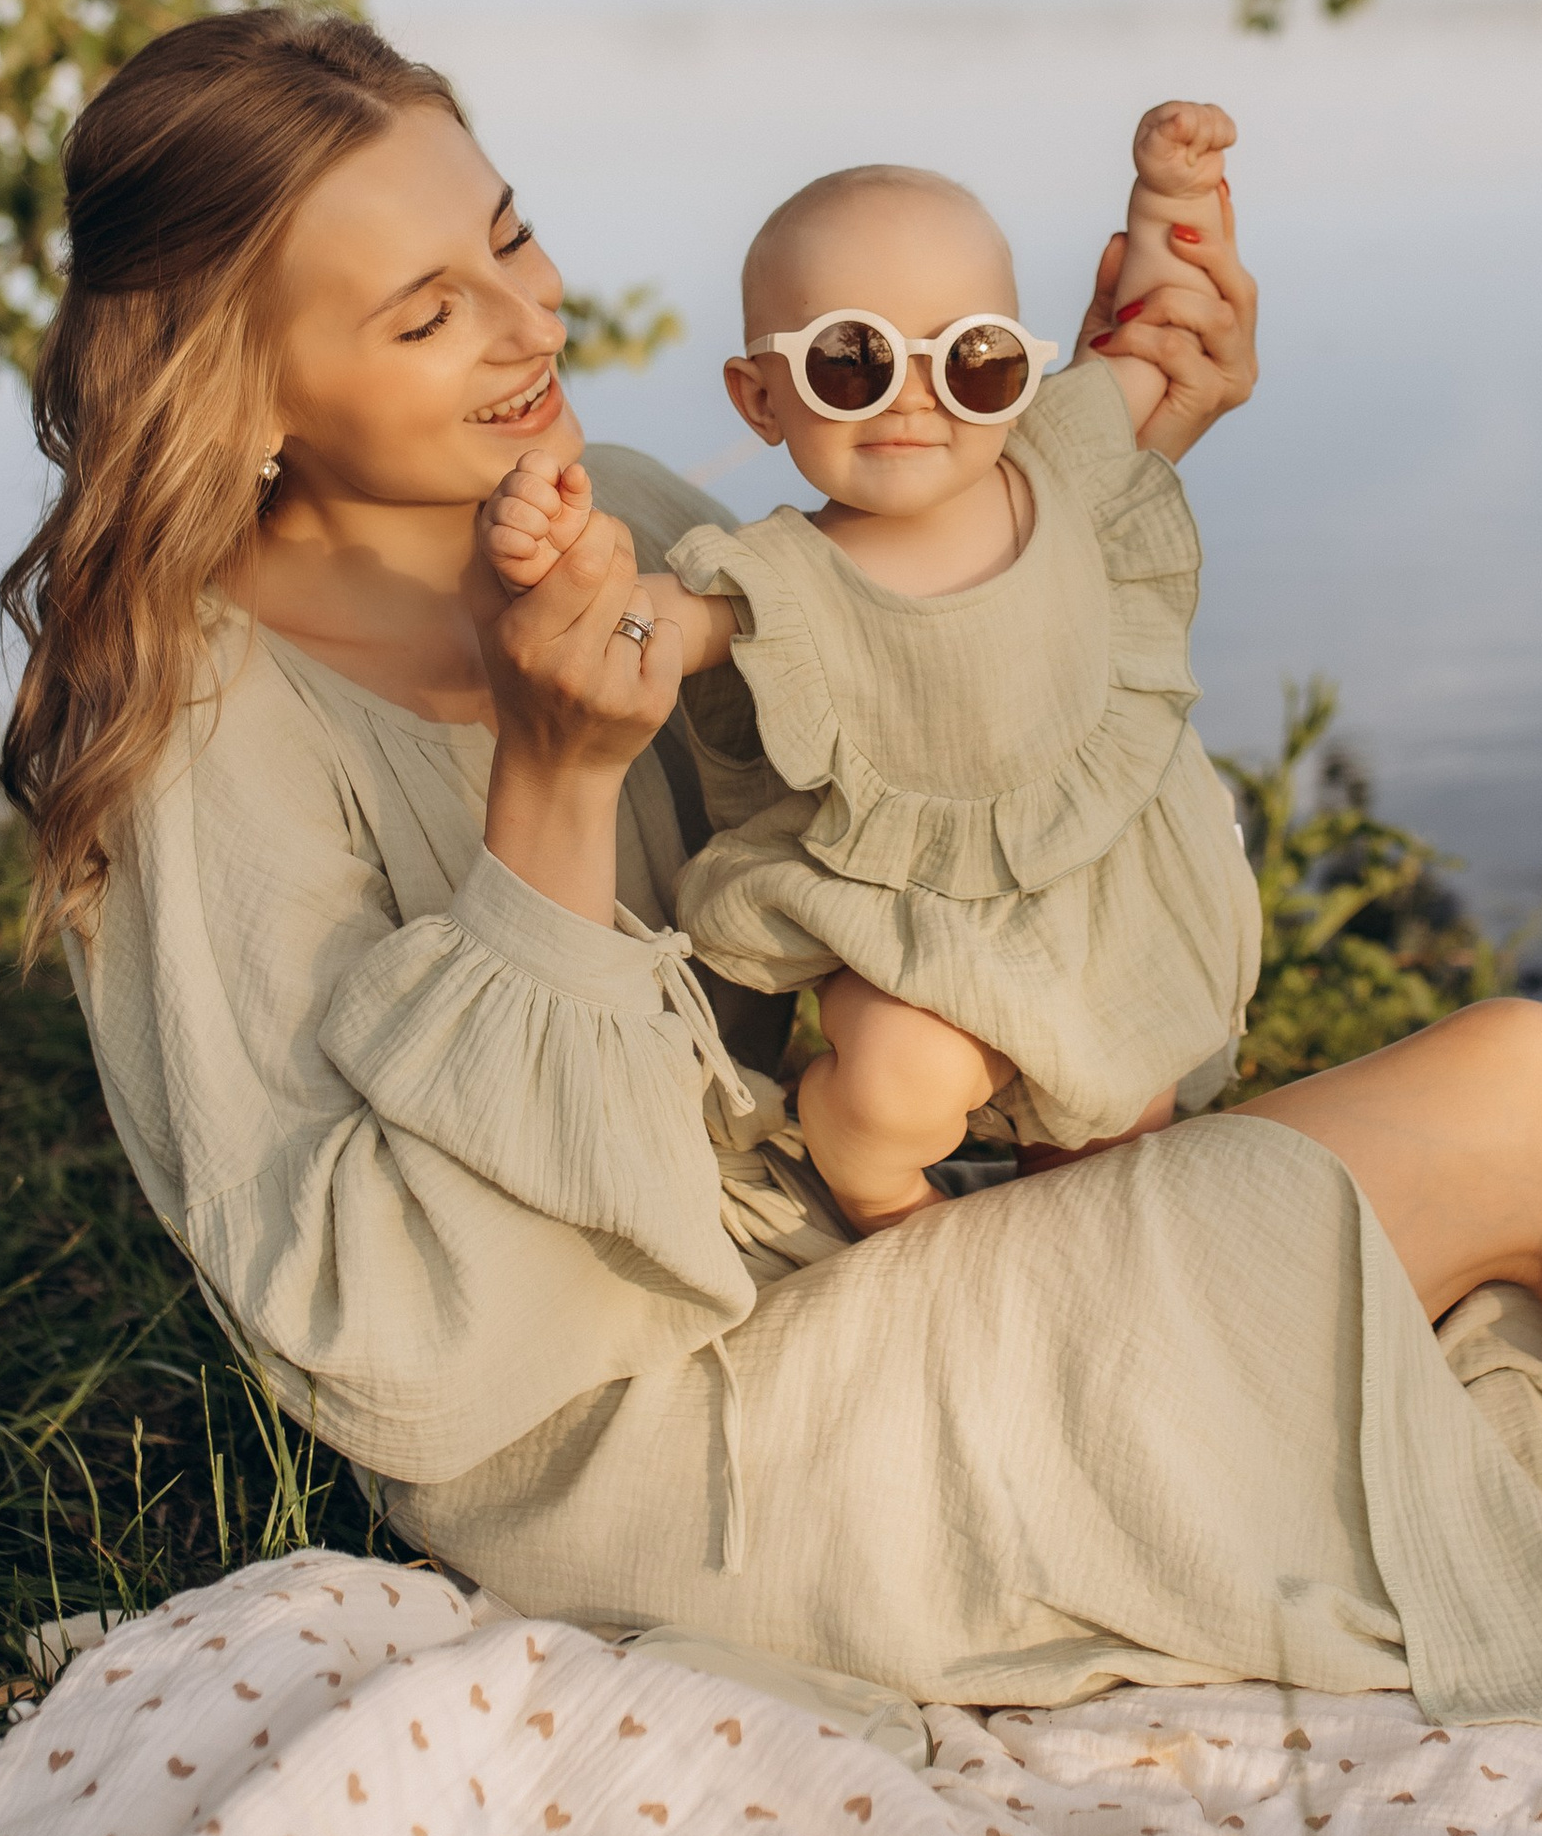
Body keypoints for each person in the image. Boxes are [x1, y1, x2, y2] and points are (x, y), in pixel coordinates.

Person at [1, 7, 1542, 1740]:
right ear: (244, 388)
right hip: (676, 1453)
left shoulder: (648, 492)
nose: (527, 321)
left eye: (507, 232)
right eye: (425, 313)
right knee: (1515, 1106)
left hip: (860, 1251)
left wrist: (1077, 440)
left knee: (1513, 1220)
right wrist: (553, 796)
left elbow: (948, 748)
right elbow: (391, 1344)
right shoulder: (195, 744)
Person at [478, 110, 1259, 1230]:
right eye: (853, 360)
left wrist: (1169, 197)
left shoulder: (1057, 458)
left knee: (1115, 1121)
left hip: (1084, 898)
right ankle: (885, 1208)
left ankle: (1072, 1245)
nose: (913, 396)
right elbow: (648, 620)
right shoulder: (781, 576)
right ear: (759, 397)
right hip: (909, 926)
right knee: (895, 1085)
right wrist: (556, 560)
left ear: (1022, 373)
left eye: (974, 360)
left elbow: (1150, 330)